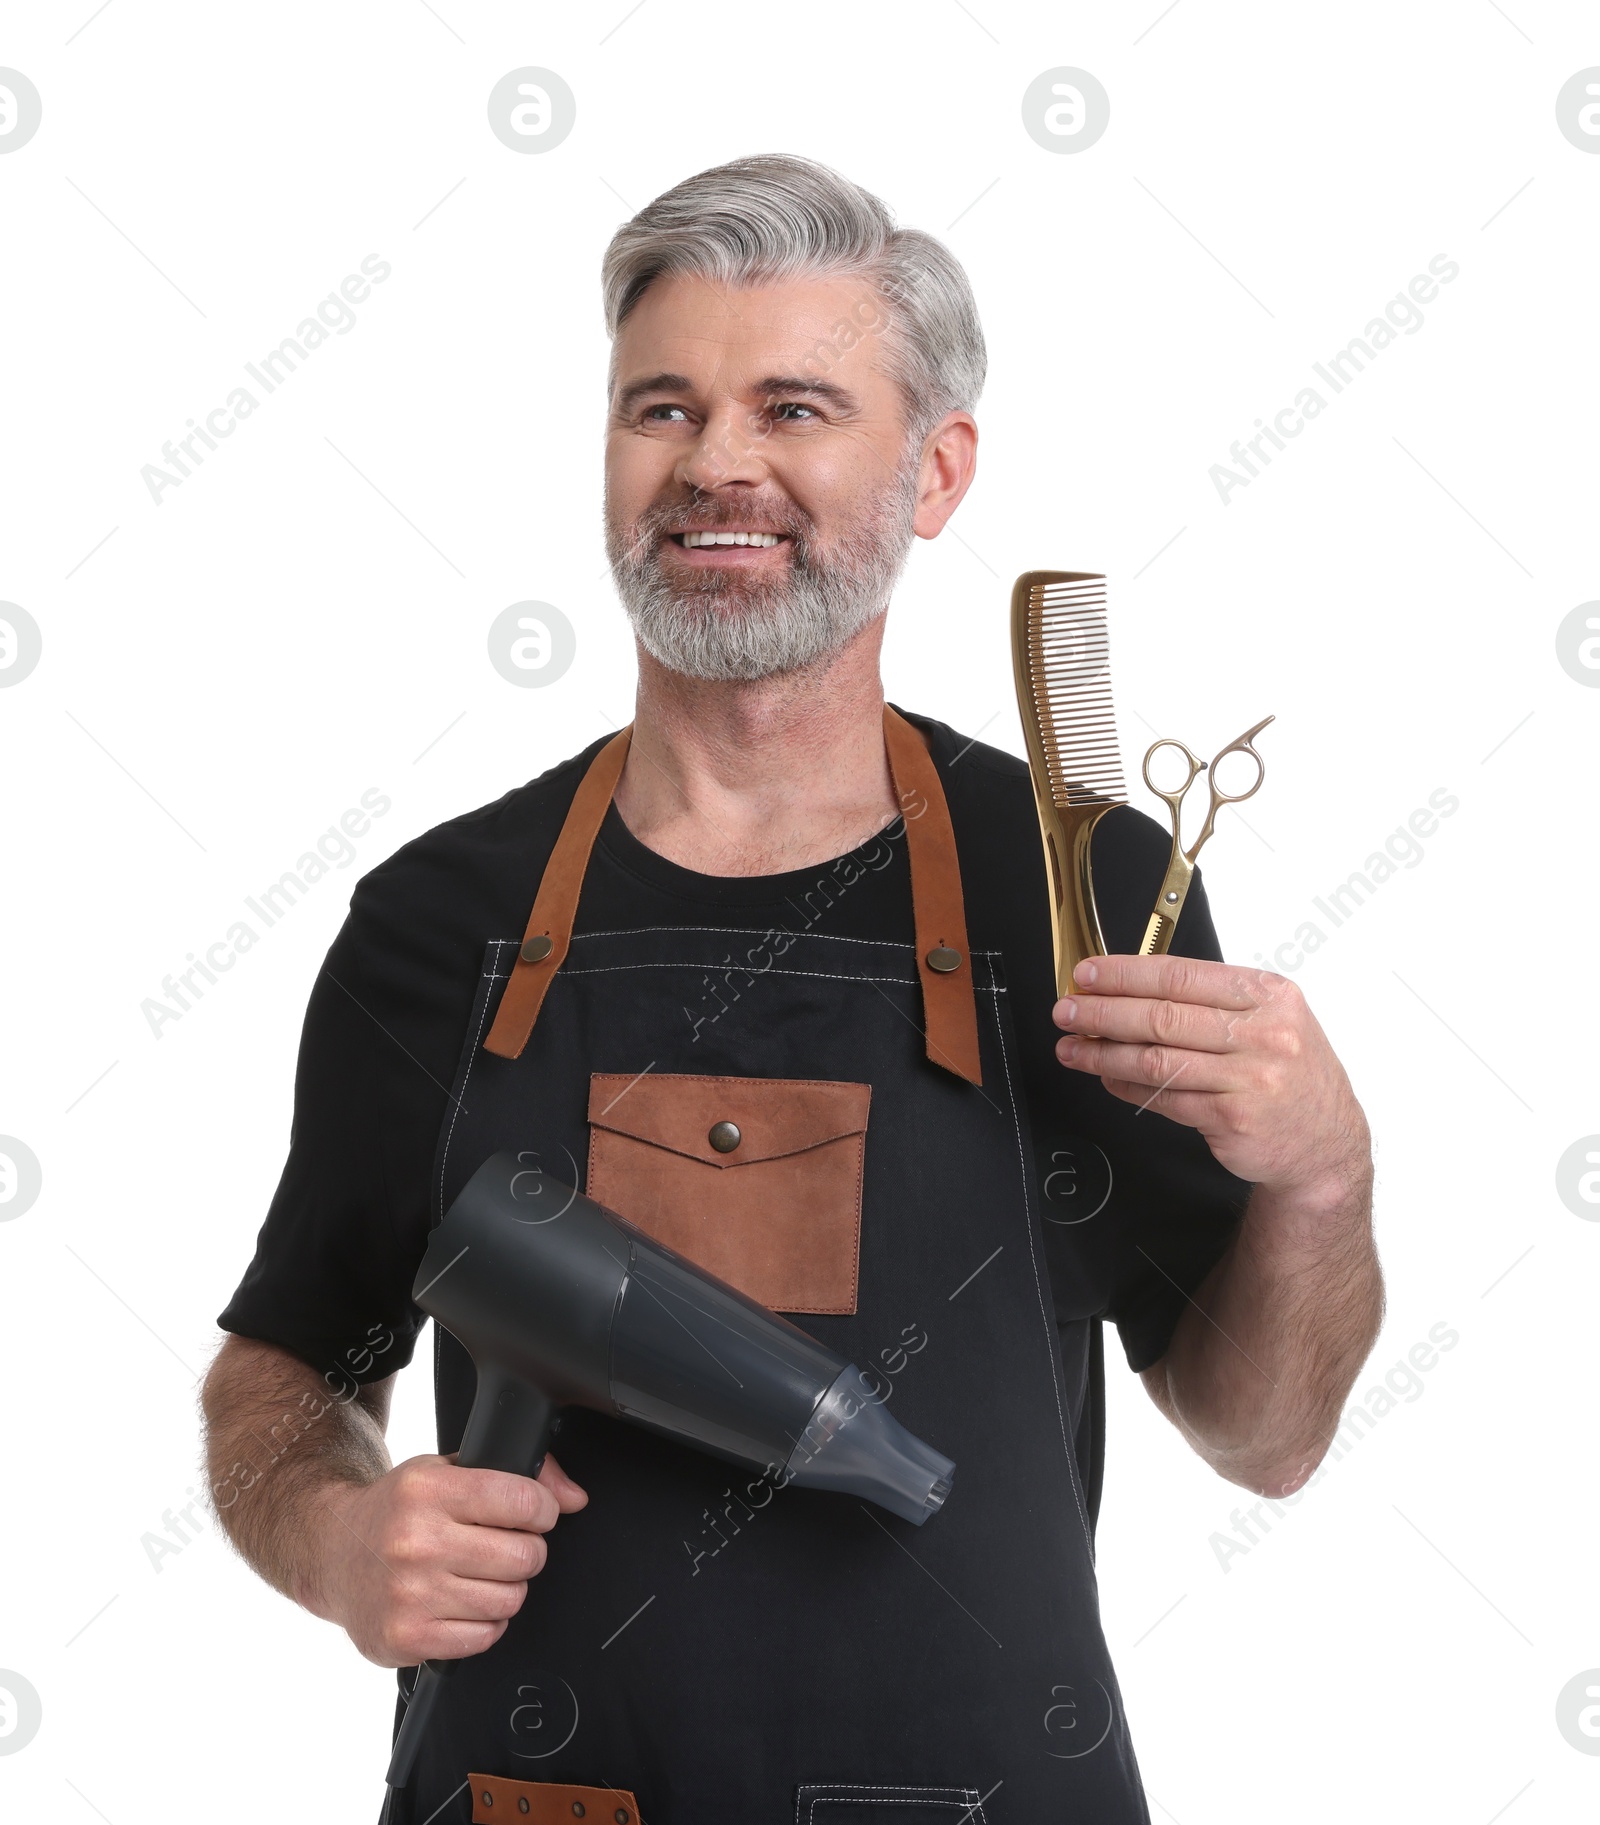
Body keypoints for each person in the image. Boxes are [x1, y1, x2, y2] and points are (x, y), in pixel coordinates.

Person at [202, 154, 1381, 1824]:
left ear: (936, 470)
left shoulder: (1088, 893)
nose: (720, 465)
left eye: (798, 405)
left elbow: (1265, 1437)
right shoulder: (438, 918)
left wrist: (1325, 1174)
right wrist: (334, 1537)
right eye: (663, 408)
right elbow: (286, 1369)